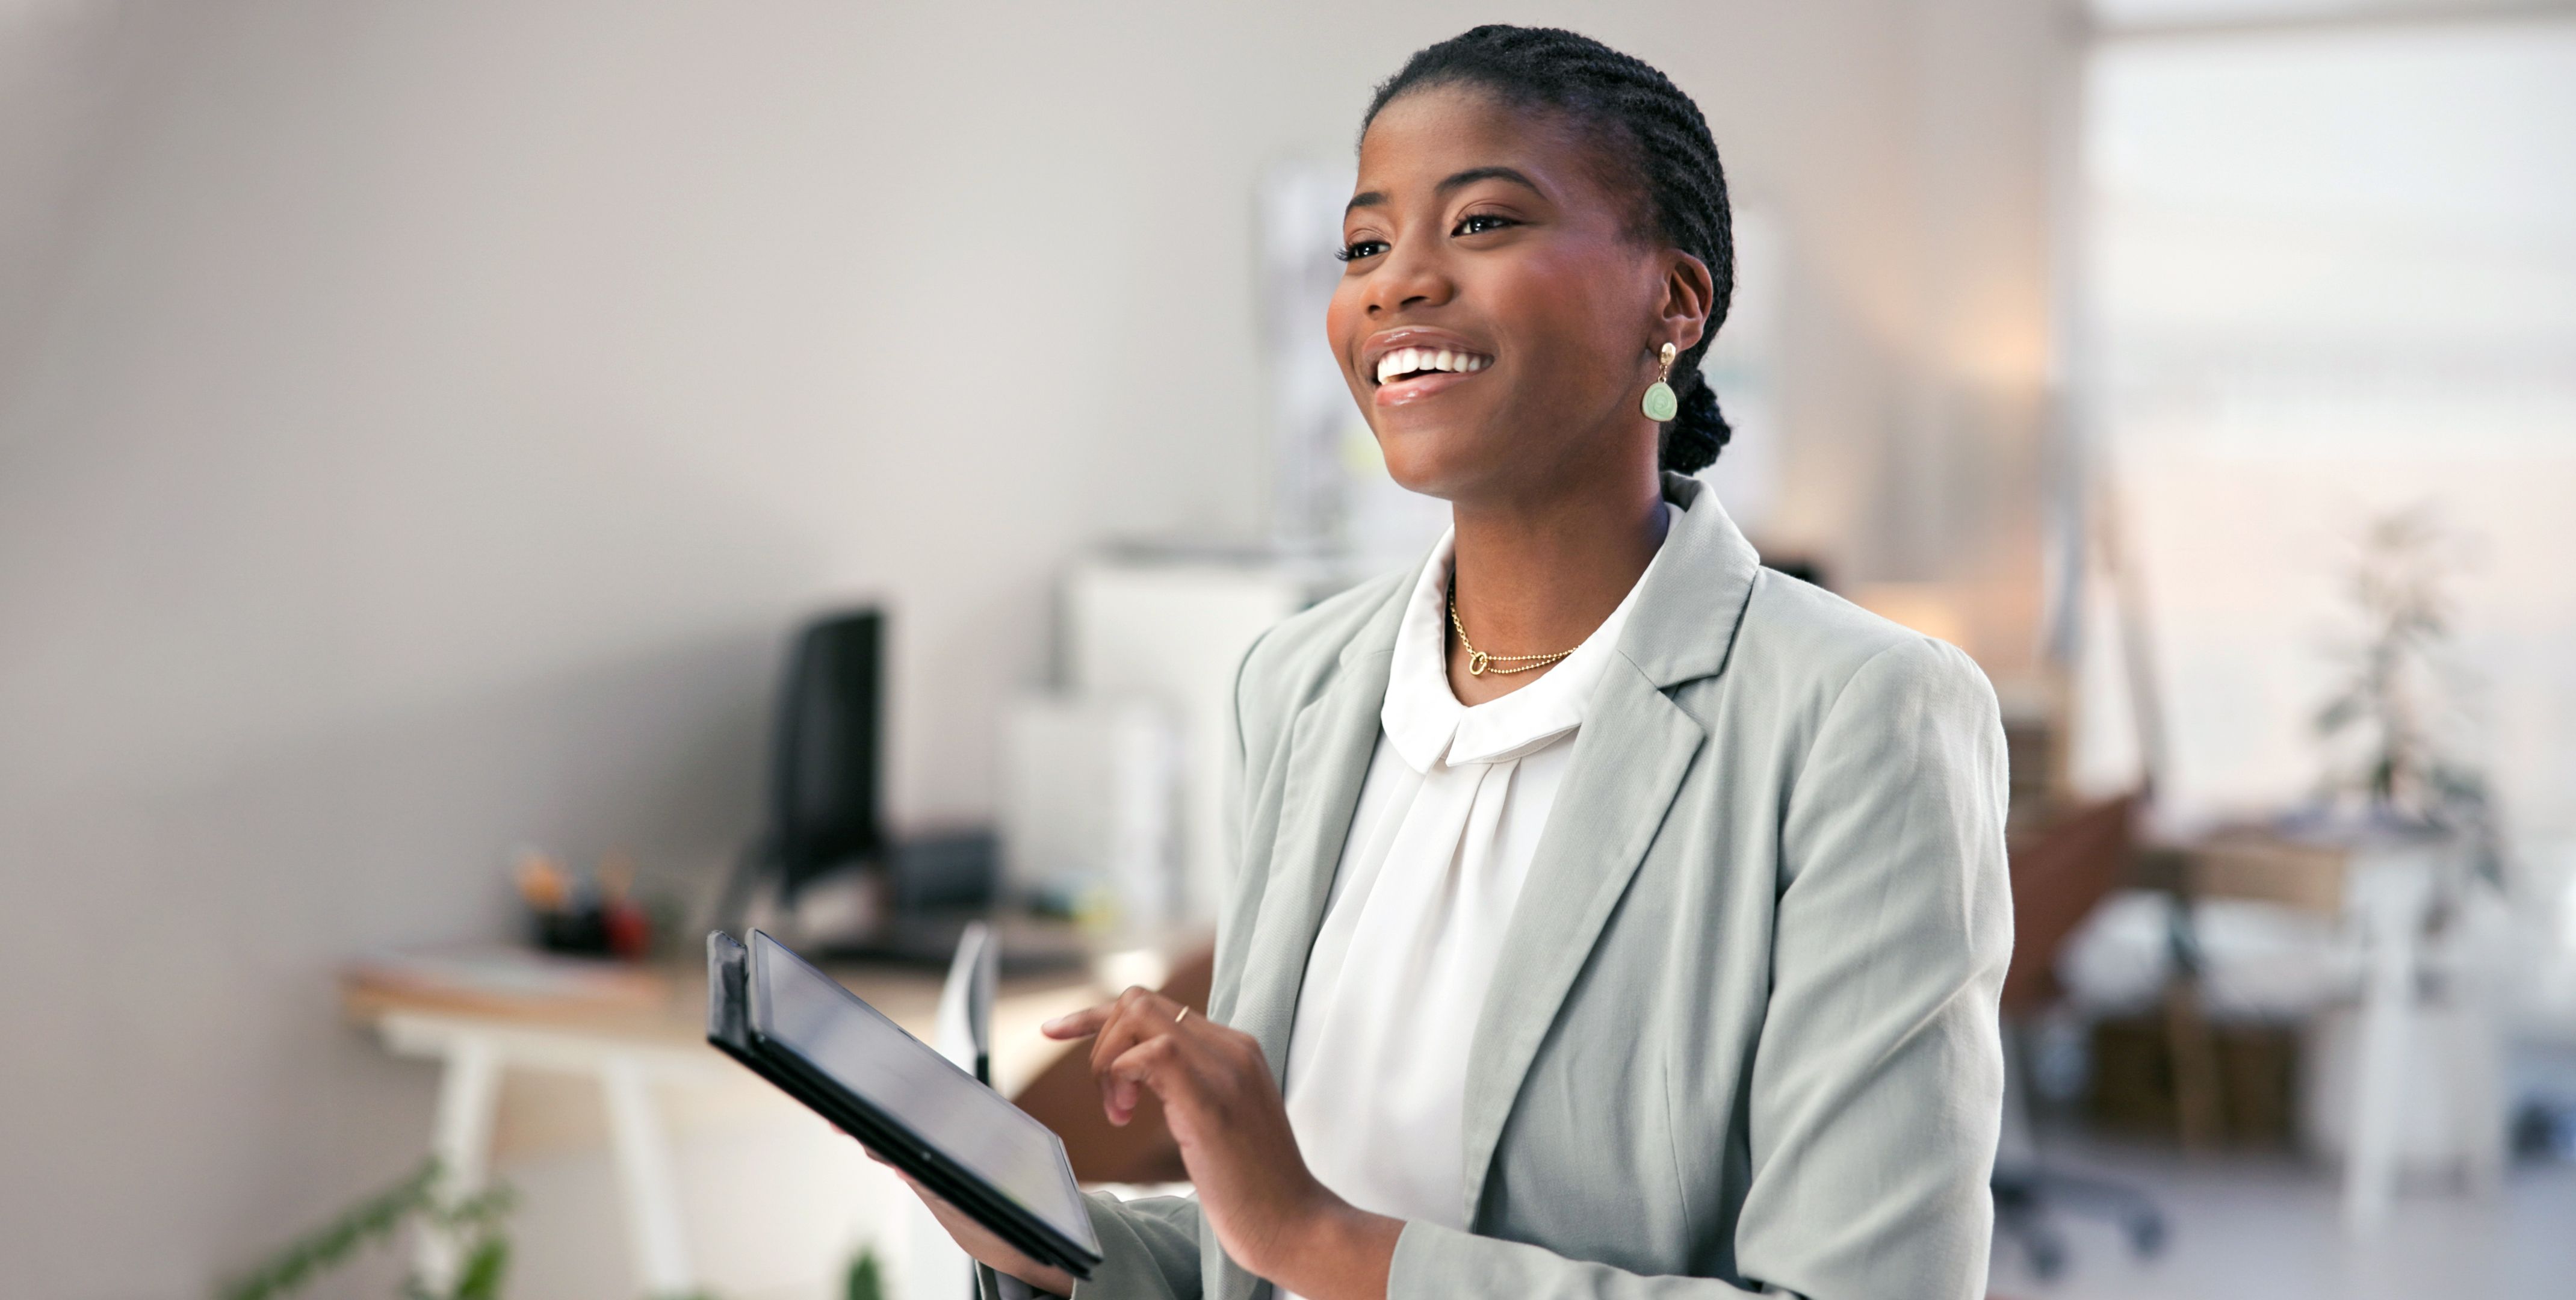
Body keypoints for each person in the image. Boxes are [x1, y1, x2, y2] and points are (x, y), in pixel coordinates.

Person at [887, 25, 2011, 1300]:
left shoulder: (1862, 716)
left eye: (1479, 225)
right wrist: (1058, 1242)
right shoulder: (1299, 688)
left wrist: (1313, 1236)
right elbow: (1254, 1258)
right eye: (1364, 245)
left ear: (1674, 303)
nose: (1395, 284)